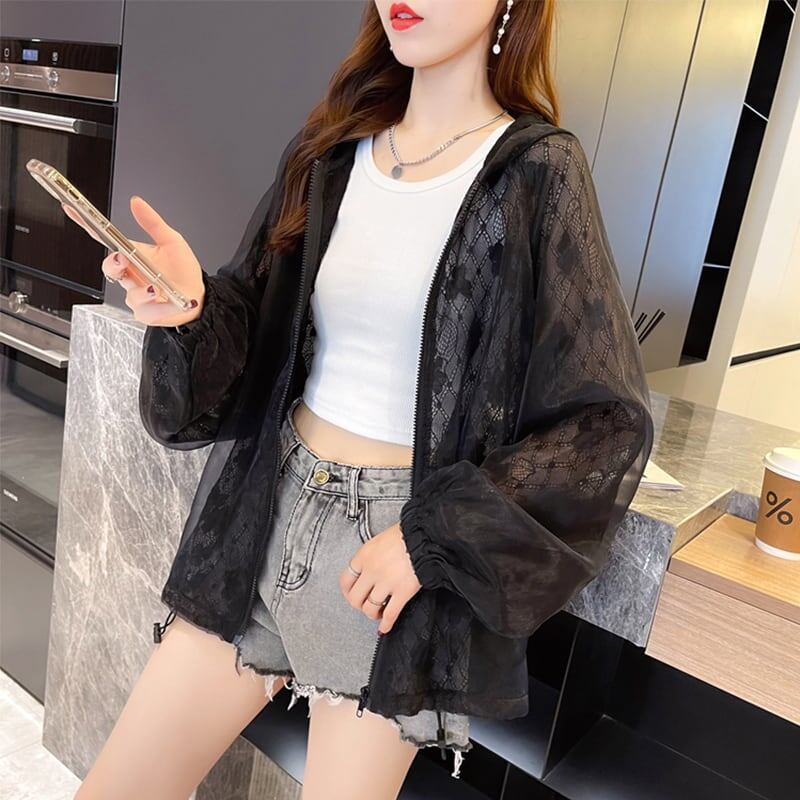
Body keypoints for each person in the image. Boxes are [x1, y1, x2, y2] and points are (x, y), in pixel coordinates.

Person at [68, 1, 654, 798]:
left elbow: (605, 424)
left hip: (389, 558)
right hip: (266, 511)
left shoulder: (535, 172)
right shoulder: (333, 150)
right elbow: (261, 333)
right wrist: (191, 305)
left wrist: (430, 538)